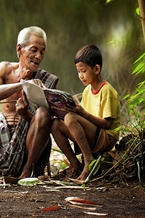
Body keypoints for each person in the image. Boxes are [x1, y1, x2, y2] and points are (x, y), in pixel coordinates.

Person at [0, 26, 59, 179]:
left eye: (42, 52)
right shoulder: (5, 69)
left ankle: (27, 170)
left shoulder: (45, 80)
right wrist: (22, 84)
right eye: (34, 50)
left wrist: (25, 114)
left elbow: (43, 123)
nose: (38, 56)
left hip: (28, 142)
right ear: (20, 49)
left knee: (43, 112)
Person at [51, 44, 120, 182]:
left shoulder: (107, 91)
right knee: (55, 124)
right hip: (93, 134)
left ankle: (88, 161)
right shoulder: (87, 90)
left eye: (83, 71)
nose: (80, 76)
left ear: (96, 69)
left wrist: (81, 113)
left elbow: (107, 124)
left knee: (70, 118)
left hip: (106, 137)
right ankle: (75, 164)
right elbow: (81, 118)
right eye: (78, 71)